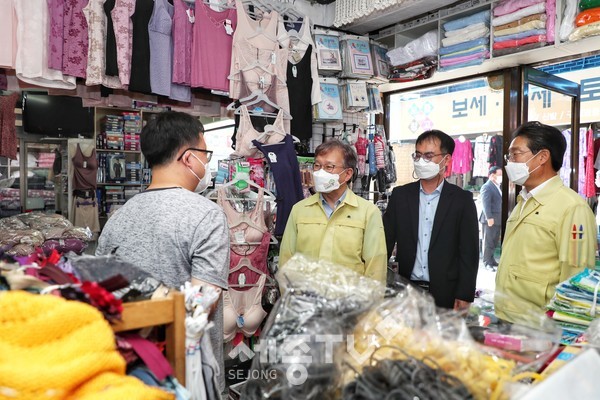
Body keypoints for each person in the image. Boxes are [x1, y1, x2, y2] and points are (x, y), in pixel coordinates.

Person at [96, 111, 230, 393]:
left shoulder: (118, 217)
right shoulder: (207, 215)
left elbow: (101, 297)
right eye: (205, 154)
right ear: (188, 157)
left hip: (130, 375)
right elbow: (202, 306)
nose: (206, 162)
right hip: (189, 376)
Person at [495, 121, 597, 322]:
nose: (509, 162)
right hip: (508, 317)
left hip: (540, 327)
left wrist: (564, 333)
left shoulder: (572, 208)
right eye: (509, 156)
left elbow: (577, 278)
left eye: (516, 154)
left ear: (542, 157)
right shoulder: (523, 200)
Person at [383, 129, 479, 310]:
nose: (421, 161)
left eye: (428, 156)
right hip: (406, 290)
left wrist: (465, 294)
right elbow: (385, 242)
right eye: (418, 156)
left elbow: (469, 252)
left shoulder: (462, 200)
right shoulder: (401, 195)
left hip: (446, 292)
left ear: (447, 160)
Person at [279, 139, 387, 283]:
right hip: (307, 302)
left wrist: (368, 304)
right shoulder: (299, 210)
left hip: (349, 302)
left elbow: (376, 268)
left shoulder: (368, 213)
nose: (319, 172)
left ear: (348, 174)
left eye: (329, 167)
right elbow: (286, 260)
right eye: (317, 166)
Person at [479, 166, 503, 271]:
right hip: (490, 219)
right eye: (500, 175)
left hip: (497, 218)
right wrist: (489, 217)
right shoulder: (487, 186)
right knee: (488, 241)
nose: (501, 177)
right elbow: (485, 204)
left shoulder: (497, 186)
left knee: (493, 241)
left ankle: (491, 259)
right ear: (492, 175)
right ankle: (487, 262)